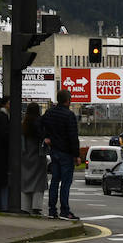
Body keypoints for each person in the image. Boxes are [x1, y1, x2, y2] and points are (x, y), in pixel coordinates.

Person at [41, 88, 80, 221]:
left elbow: (40, 125)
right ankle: (65, 210)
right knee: (66, 183)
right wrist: (77, 155)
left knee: (54, 181)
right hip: (66, 153)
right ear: (68, 101)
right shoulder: (69, 116)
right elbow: (73, 136)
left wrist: (46, 137)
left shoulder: (49, 113)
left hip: (54, 151)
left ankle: (52, 210)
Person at [20, 102, 49, 214]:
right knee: (38, 183)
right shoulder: (39, 123)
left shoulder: (24, 124)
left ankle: (24, 207)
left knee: (25, 182)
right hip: (38, 155)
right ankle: (36, 207)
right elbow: (43, 136)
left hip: (26, 156)